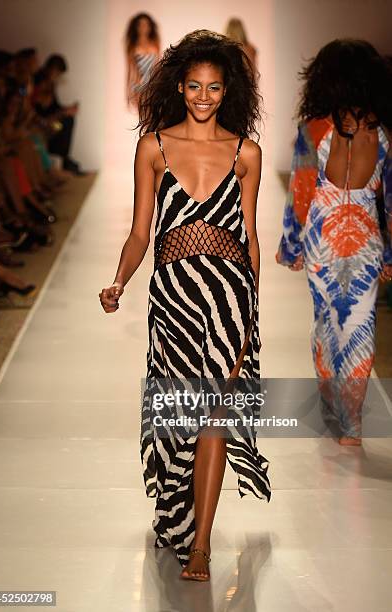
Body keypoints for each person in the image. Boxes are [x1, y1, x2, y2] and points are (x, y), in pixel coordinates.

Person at [99, 29, 271, 581]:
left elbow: (248, 237)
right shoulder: (153, 146)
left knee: (215, 416)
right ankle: (175, 515)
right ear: (179, 86)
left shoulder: (247, 154)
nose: (203, 97)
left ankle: (202, 544)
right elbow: (140, 232)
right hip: (172, 298)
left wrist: (251, 315)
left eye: (214, 88)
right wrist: (119, 282)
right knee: (179, 420)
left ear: (228, 91)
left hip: (227, 298)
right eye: (195, 86)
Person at [276, 39, 392, 446]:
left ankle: (331, 404)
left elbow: (302, 194)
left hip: (323, 238)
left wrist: (289, 246)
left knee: (327, 323)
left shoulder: (313, 130)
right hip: (365, 239)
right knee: (360, 326)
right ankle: (353, 424)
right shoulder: (384, 134)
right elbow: (391, 200)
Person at [32, 55, 84, 175]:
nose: (58, 76)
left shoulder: (49, 84)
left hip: (51, 124)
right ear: (53, 69)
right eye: (58, 73)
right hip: (44, 125)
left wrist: (66, 110)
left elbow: (53, 108)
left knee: (65, 123)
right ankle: (61, 157)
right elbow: (43, 109)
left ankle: (62, 157)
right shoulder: (41, 83)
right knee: (63, 124)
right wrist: (63, 112)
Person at [124, 13, 160, 109]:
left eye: (146, 24)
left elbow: (158, 67)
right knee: (145, 116)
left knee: (154, 117)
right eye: (140, 24)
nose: (144, 27)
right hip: (139, 86)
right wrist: (128, 92)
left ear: (150, 26)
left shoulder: (155, 44)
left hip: (153, 85)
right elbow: (130, 70)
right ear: (136, 27)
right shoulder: (132, 47)